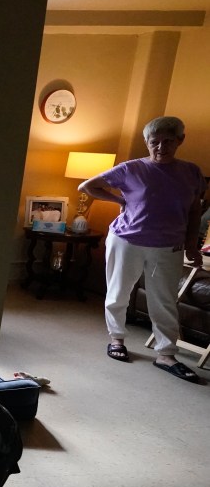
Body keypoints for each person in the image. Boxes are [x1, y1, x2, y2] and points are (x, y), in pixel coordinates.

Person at [79, 116, 205, 383]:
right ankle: (117, 339)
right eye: (154, 142)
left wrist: (192, 244)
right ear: (146, 142)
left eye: (168, 141)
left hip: (169, 245)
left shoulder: (192, 172)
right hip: (127, 239)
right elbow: (87, 186)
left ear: (180, 140)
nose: (161, 147)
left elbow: (194, 210)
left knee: (164, 300)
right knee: (118, 292)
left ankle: (166, 353)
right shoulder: (131, 169)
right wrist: (119, 200)